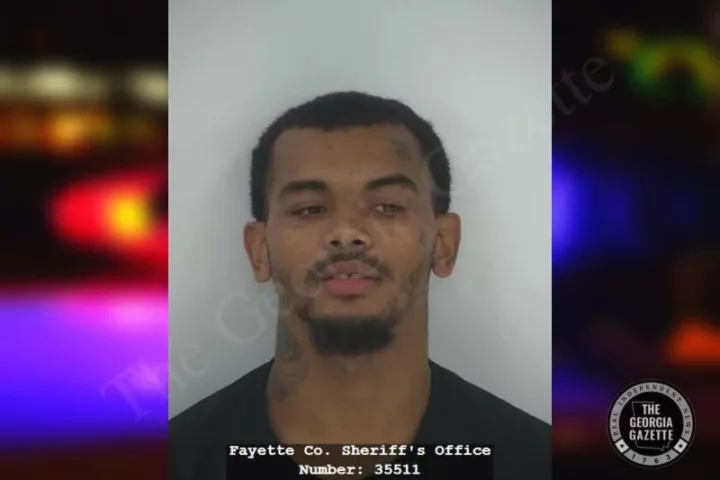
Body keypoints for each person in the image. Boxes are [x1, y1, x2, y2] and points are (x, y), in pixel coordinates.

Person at [170, 91, 550, 479]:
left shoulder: (536, 462)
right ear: (259, 250)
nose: (347, 232)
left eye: (388, 207)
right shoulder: (174, 461)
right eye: (310, 208)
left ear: (444, 244)